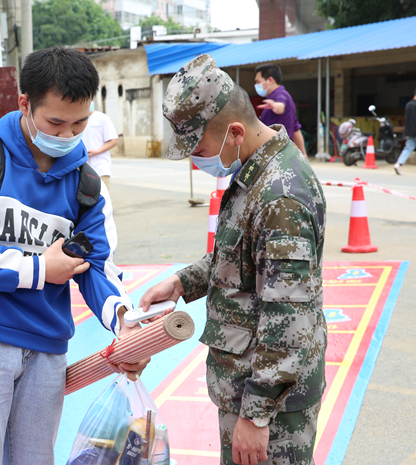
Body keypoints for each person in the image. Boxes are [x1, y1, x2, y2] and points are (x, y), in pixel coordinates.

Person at [0, 46, 152, 465]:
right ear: (25, 104)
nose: (68, 135)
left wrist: (124, 323)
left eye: (80, 123)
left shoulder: (86, 183)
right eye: (55, 122)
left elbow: (96, 267)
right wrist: (38, 269)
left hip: (46, 351)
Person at [141, 54, 327, 465]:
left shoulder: (279, 196)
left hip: (272, 406)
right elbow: (238, 254)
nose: (196, 160)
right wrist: (182, 282)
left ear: (236, 132)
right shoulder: (256, 171)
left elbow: (288, 314)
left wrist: (256, 415)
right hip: (252, 388)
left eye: (201, 148)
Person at [254, 64, 308, 158]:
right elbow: (296, 130)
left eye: (258, 81)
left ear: (270, 80)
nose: (256, 85)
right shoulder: (283, 96)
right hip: (281, 153)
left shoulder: (279, 95)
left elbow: (280, 106)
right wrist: (303, 153)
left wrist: (275, 105)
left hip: (276, 154)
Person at [82, 101, 119, 189]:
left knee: (103, 199)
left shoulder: (102, 118)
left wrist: (97, 152)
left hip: (101, 168)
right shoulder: (77, 120)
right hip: (81, 169)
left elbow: (114, 140)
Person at [394, 88, 416, 175]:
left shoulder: (409, 105)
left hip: (409, 131)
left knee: (408, 148)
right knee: (408, 147)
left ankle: (398, 164)